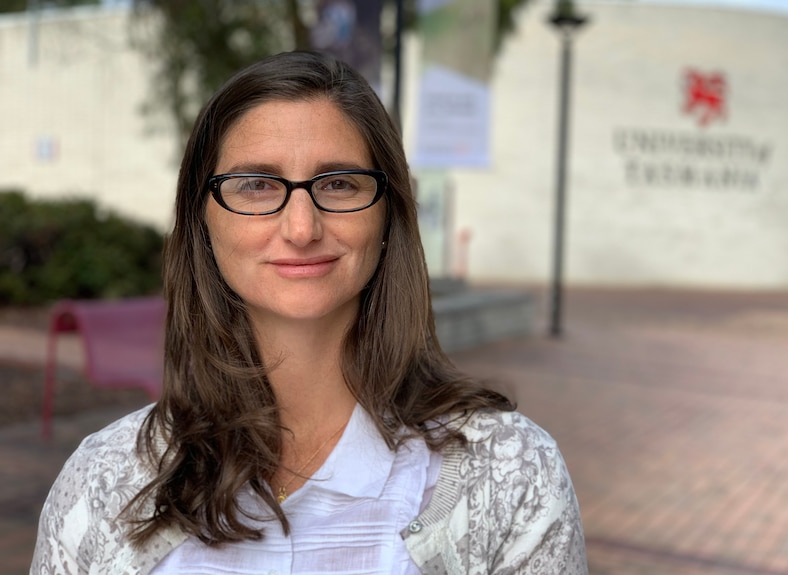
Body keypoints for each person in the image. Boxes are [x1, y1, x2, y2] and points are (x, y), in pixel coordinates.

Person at [31, 51, 588, 574]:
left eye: (340, 183)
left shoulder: (513, 473)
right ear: (202, 220)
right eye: (255, 184)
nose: (302, 228)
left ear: (388, 215)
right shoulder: (106, 479)